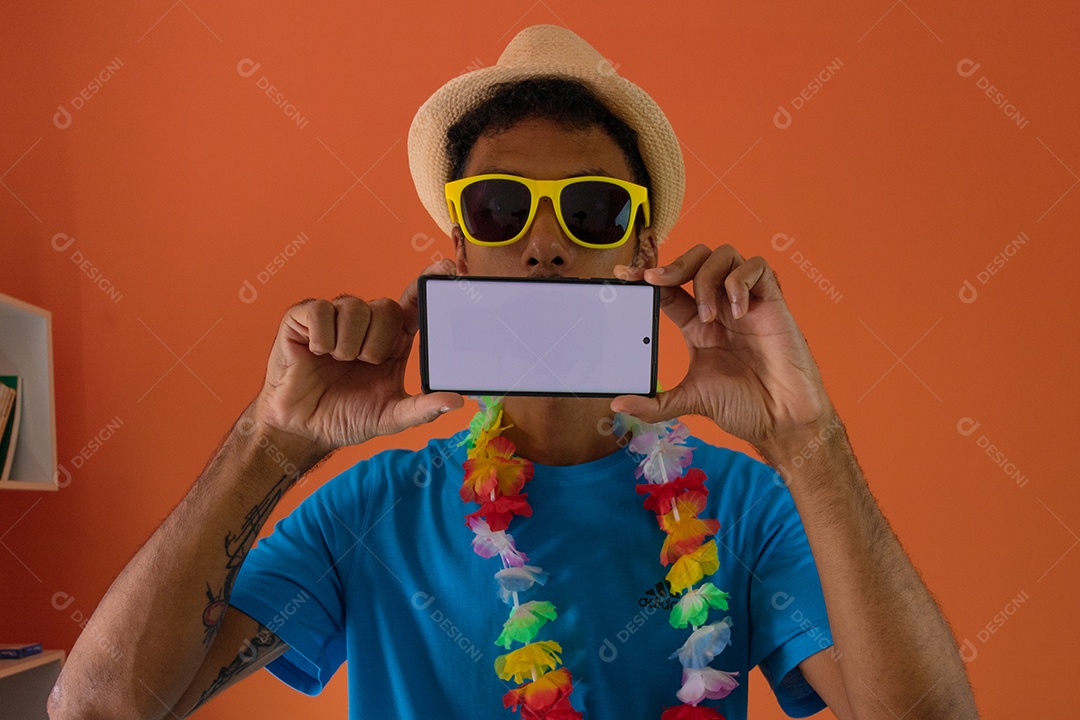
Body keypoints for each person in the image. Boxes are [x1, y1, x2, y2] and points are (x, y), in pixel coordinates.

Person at [48, 25, 979, 720]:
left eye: (593, 209)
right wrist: (271, 443)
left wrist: (807, 441)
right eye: (499, 208)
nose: (543, 245)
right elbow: (96, 710)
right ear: (458, 250)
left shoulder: (746, 505)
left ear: (642, 248)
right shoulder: (372, 507)